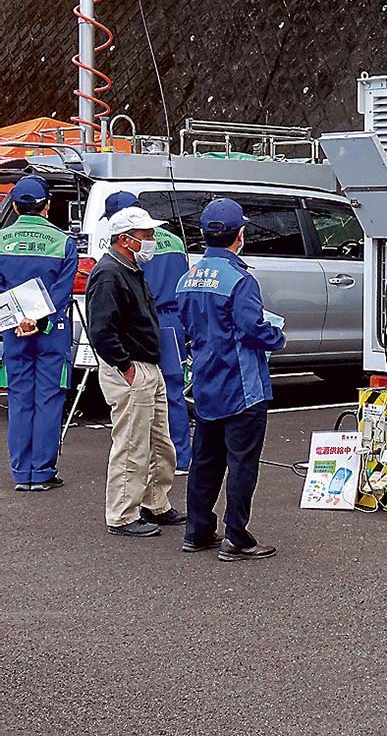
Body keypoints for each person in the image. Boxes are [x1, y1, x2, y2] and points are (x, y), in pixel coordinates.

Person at [176, 198, 285, 560]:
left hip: (206, 382)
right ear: (240, 235)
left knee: (205, 461)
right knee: (241, 463)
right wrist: (277, 336)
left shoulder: (188, 277)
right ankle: (236, 536)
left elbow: (187, 327)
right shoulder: (240, 279)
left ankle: (197, 530)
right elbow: (253, 328)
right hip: (243, 387)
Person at [86, 205, 185, 537]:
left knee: (159, 441)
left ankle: (155, 502)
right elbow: (101, 329)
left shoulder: (128, 268)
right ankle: (122, 515)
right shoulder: (109, 273)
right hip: (131, 367)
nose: (152, 240)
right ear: (126, 240)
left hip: (145, 365)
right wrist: (125, 366)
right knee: (131, 444)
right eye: (146, 235)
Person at [101, 191, 192, 474]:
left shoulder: (128, 248)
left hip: (142, 324)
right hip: (173, 320)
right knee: (173, 393)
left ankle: (149, 459)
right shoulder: (175, 240)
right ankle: (181, 457)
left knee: (140, 395)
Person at [0, 175, 76, 492]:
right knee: (48, 398)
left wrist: (19, 319)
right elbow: (62, 292)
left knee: (19, 399)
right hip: (51, 331)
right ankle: (42, 471)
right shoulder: (63, 242)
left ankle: (21, 473)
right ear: (47, 207)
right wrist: (36, 319)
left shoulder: (1, 239)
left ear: (15, 206)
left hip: (13, 331)